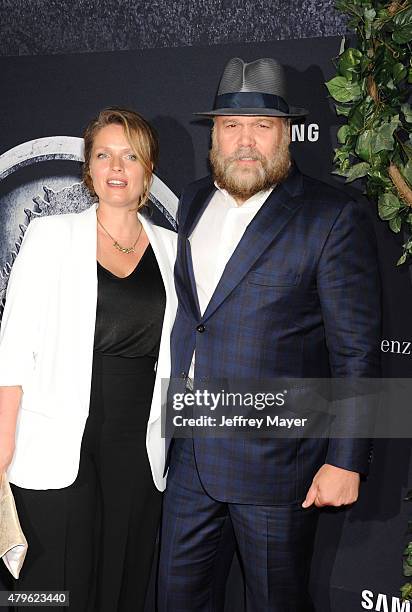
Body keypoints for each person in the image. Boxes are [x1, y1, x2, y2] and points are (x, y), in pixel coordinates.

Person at [158, 58, 381, 611]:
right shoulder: (190, 202)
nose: (246, 141)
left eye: (262, 126)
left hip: (279, 463)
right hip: (190, 455)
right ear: (214, 133)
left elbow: (355, 350)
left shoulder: (331, 216)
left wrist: (347, 459)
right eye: (232, 126)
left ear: (286, 134)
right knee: (176, 600)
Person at [0, 107, 177, 611]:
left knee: (120, 581)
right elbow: (13, 348)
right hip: (56, 437)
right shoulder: (49, 235)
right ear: (89, 167)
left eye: (129, 155)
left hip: (138, 443)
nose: (116, 166)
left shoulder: (171, 248)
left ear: (147, 168)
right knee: (52, 584)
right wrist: (2, 443)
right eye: (103, 154)